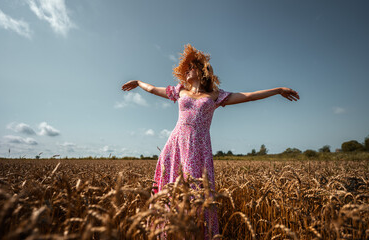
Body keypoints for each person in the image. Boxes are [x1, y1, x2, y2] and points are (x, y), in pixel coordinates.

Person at [121, 44, 299, 239]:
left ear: (202, 71)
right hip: (176, 145)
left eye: (192, 67)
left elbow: (247, 96)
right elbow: (154, 89)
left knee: (197, 195)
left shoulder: (215, 96)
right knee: (171, 193)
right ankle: (167, 233)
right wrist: (138, 82)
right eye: (187, 68)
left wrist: (277, 90)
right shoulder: (180, 91)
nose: (187, 71)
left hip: (199, 148)